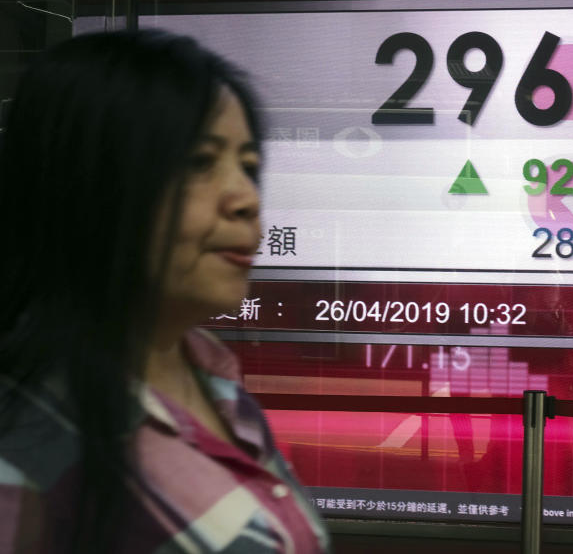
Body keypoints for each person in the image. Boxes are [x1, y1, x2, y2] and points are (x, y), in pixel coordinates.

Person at [0, 30, 330, 553]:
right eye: (200, 162)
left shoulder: (218, 386)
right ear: (88, 182)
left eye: (249, 167)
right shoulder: (26, 443)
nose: (246, 199)